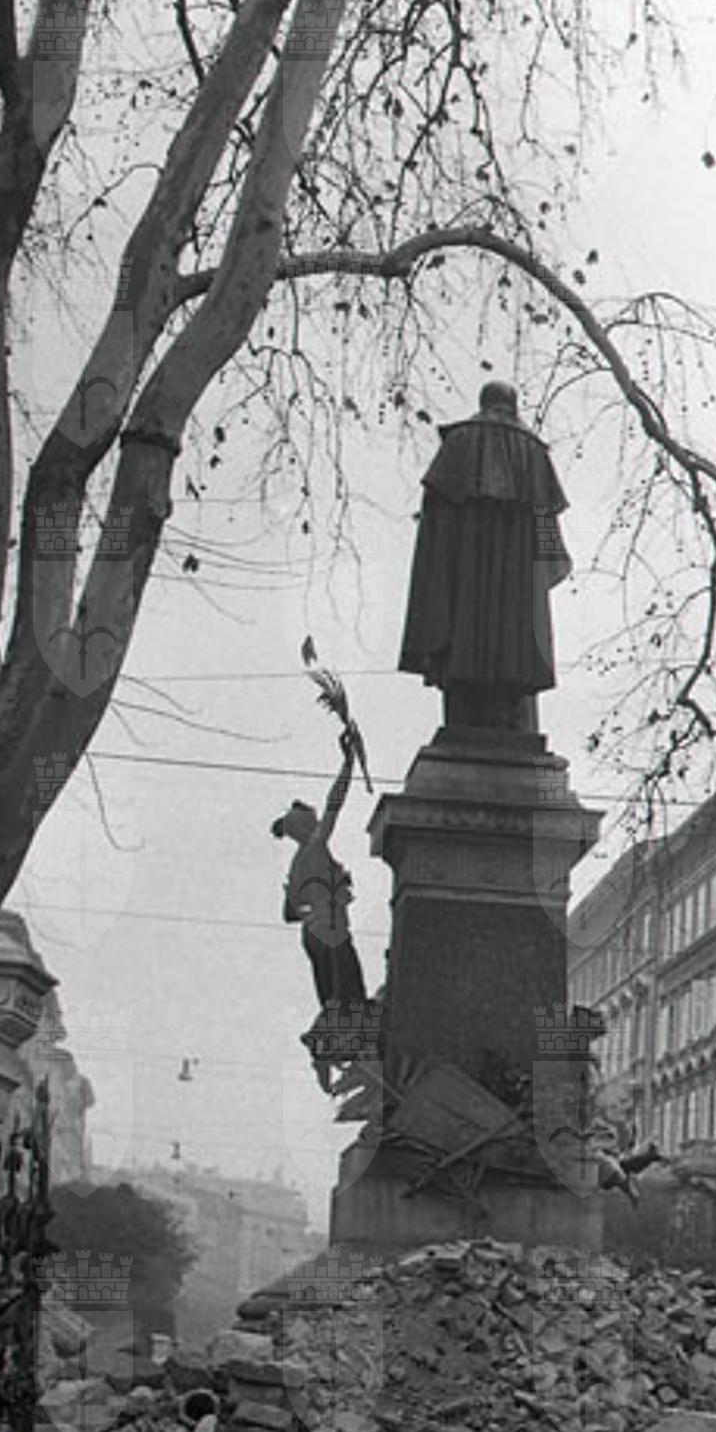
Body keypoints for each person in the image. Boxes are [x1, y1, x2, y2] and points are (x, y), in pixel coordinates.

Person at [398, 380, 572, 732]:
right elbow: (546, 530)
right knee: (513, 646)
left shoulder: (459, 444)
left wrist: (440, 567)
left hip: (463, 584)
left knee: (463, 637)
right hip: (516, 592)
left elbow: (435, 523)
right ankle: (508, 710)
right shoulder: (534, 452)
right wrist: (549, 563)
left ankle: (466, 708)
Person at [272, 728, 367, 1017]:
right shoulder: (314, 846)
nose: (318, 822)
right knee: (349, 996)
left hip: (314, 933)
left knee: (334, 998)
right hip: (330, 930)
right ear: (305, 826)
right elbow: (334, 804)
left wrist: (312, 907)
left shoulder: (298, 863)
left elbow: (289, 913)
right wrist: (348, 764)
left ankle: (334, 1034)